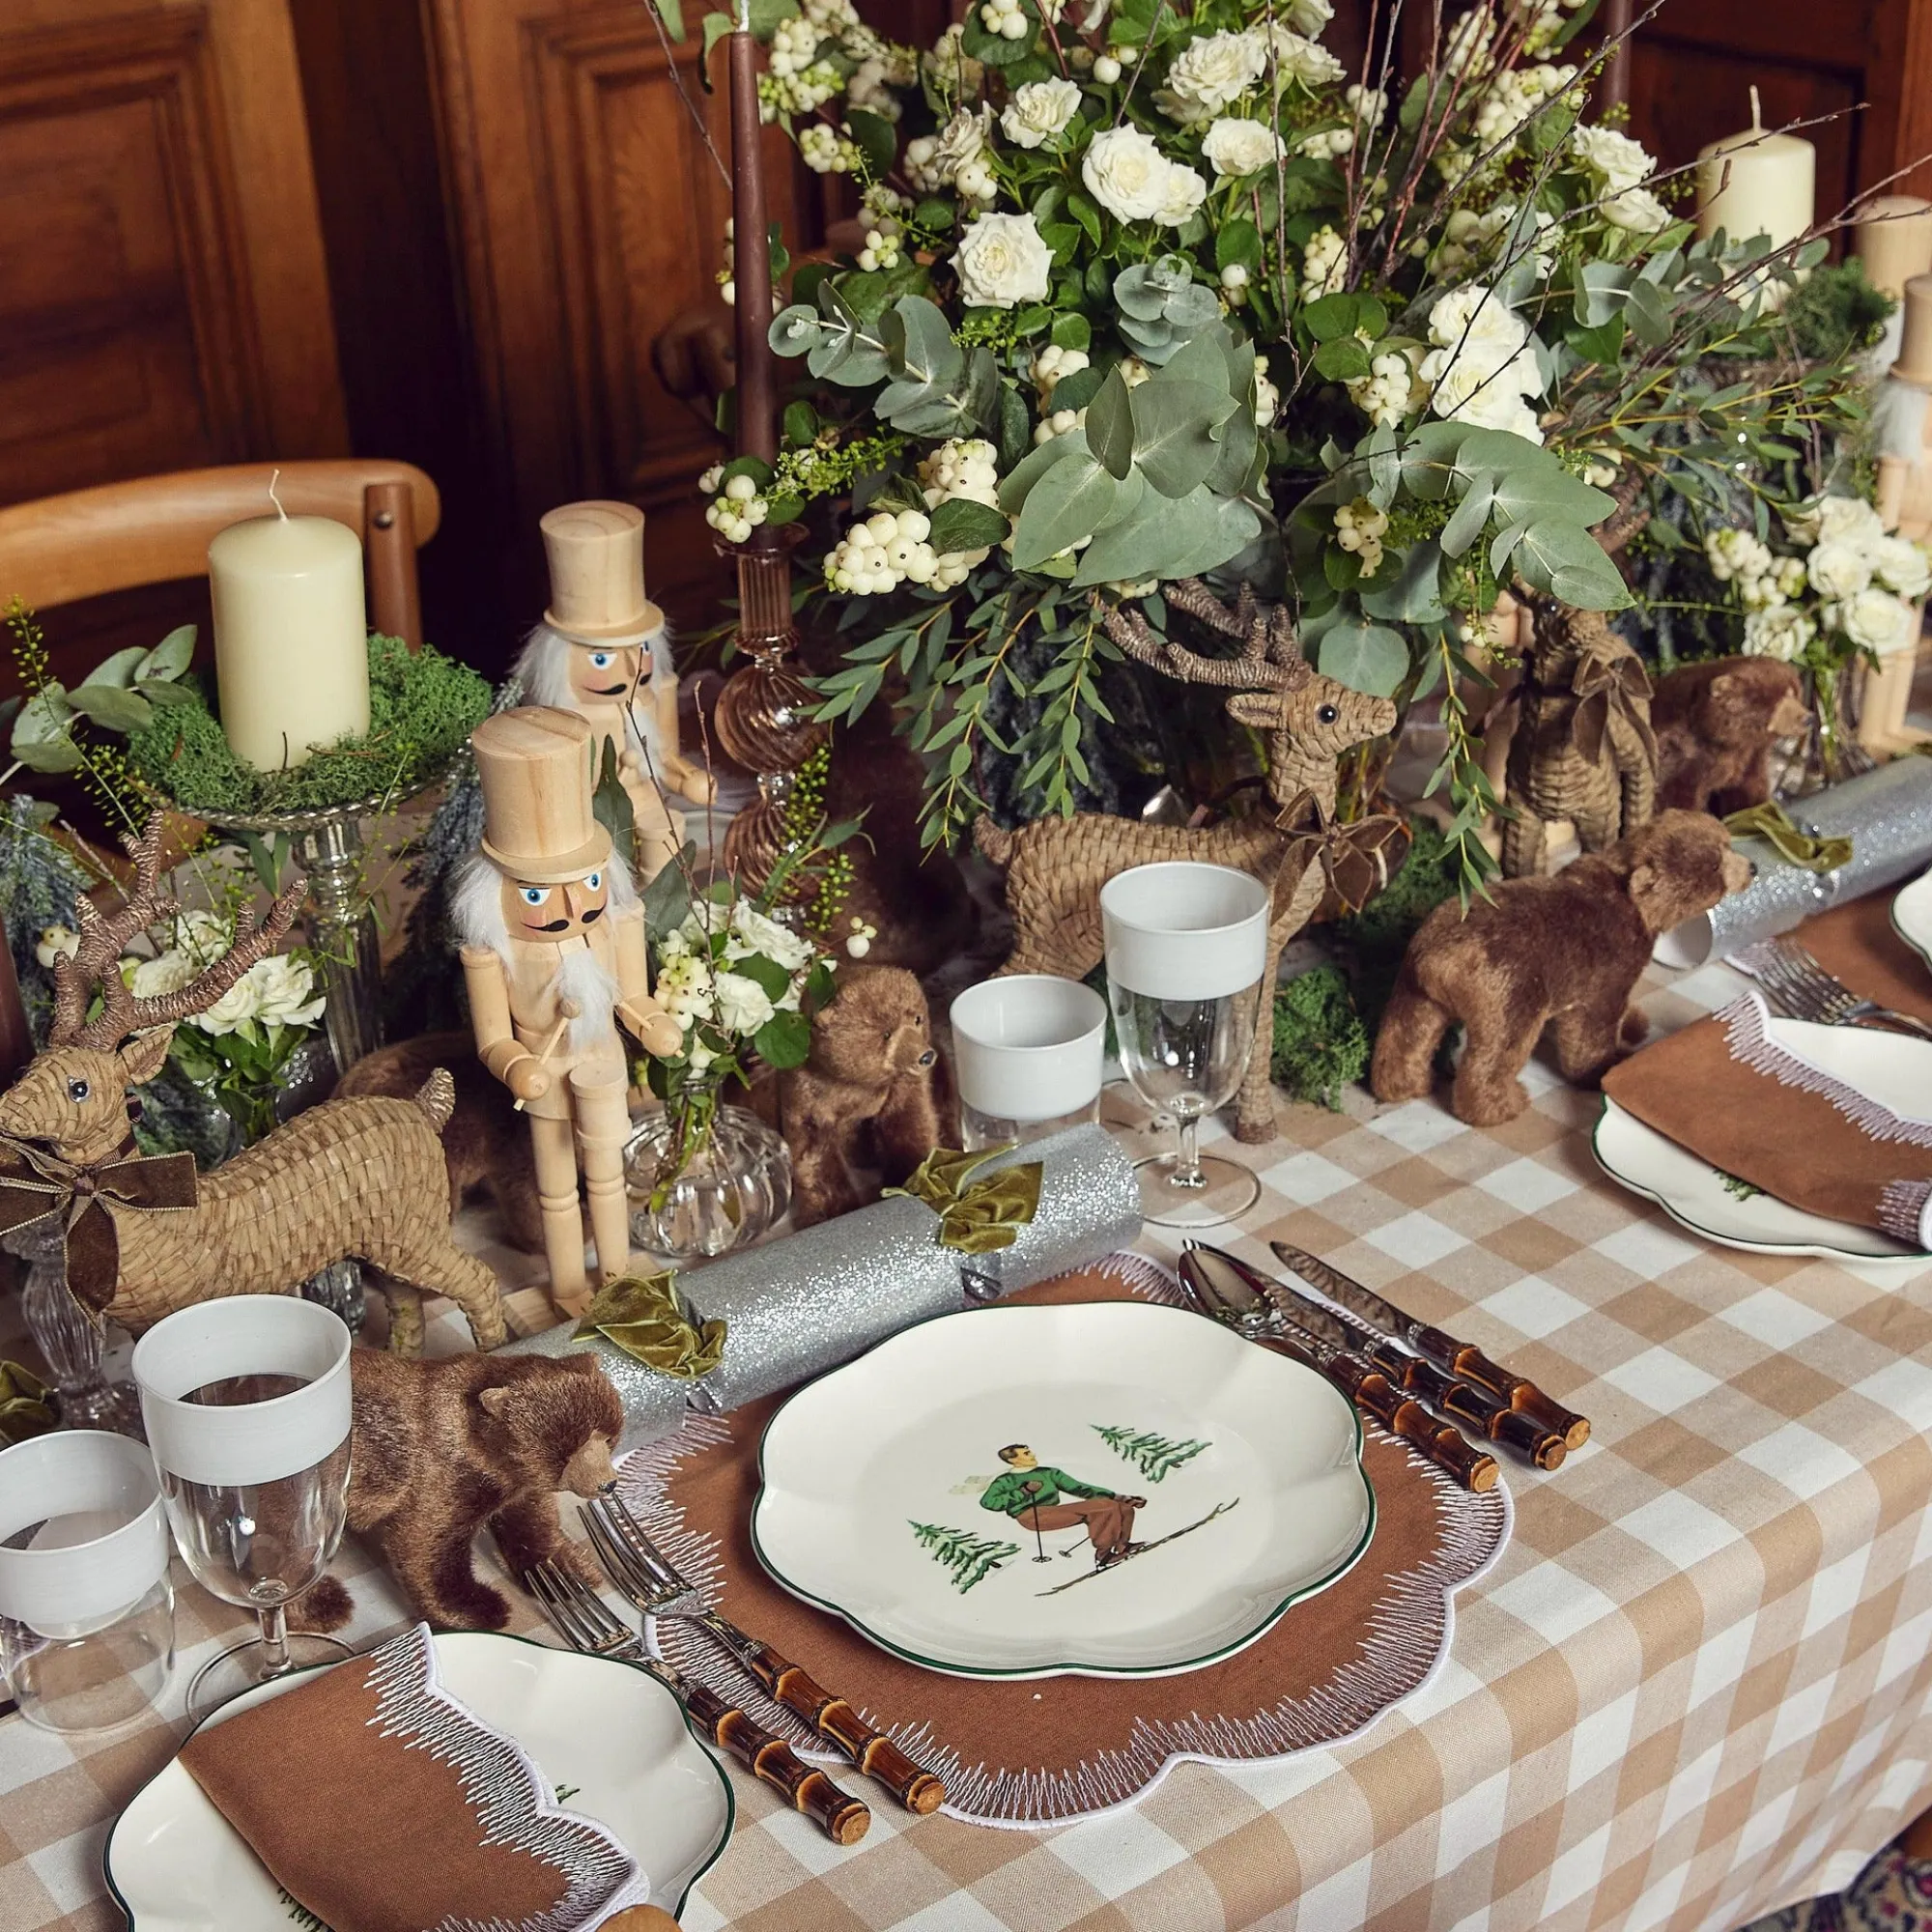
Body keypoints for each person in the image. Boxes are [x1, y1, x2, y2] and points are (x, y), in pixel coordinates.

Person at [979, 1443, 1144, 1568]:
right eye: (1027, 1453)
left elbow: (1079, 1488)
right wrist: (1024, 1491)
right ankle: (1104, 1556)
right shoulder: (1006, 1481)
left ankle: (1122, 1545)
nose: (1033, 1454)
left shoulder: (1048, 1473)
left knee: (1122, 1507)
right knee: (1106, 1507)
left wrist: (1122, 1498)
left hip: (1053, 1511)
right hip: (1030, 1516)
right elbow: (988, 1502)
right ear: (1013, 1460)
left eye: (1030, 1451)